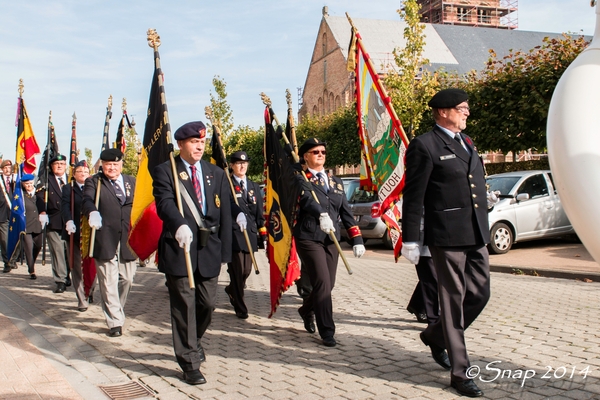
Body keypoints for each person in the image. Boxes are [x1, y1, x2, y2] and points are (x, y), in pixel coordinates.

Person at [401, 88, 491, 398]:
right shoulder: (424, 146)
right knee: (453, 301)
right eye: (462, 108)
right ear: (443, 112)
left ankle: (435, 335)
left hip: (476, 232)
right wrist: (410, 238)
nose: (467, 112)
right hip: (447, 235)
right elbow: (413, 196)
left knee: (480, 293)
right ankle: (460, 372)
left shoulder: (467, 142)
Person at [153, 121, 233, 386]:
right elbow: (164, 203)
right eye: (193, 142)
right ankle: (189, 362)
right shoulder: (167, 171)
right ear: (180, 145)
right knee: (183, 306)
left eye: (202, 142)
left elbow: (224, 213)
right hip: (180, 248)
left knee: (207, 304)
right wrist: (179, 224)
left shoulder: (216, 173)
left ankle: (193, 340)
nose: (199, 146)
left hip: (209, 249)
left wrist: (226, 251)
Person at [294, 138, 365, 348]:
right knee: (322, 283)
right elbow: (306, 200)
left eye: (323, 151)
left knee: (329, 284)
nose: (320, 155)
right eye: (315, 152)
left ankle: (306, 310)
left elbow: (346, 212)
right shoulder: (300, 178)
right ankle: (327, 331)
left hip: (331, 239)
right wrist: (321, 214)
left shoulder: (336, 182)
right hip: (309, 237)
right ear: (306, 156)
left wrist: (357, 239)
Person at [82, 149, 137, 337]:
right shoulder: (94, 182)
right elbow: (87, 199)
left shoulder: (132, 181)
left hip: (127, 239)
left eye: (115, 164)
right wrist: (92, 212)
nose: (112, 168)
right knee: (108, 281)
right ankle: (115, 321)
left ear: (121, 164)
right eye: (108, 165)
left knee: (127, 279)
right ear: (102, 166)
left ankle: (117, 308)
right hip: (105, 238)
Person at [224, 151, 266, 319]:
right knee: (237, 270)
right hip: (234, 233)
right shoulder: (227, 184)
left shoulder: (254, 186)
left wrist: (262, 235)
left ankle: (231, 289)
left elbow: (259, 214)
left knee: (246, 270)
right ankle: (240, 306)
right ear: (232, 166)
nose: (242, 166)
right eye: (238, 163)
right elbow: (225, 205)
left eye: (245, 163)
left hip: (250, 233)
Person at [37, 154, 71, 293]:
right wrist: (42, 212)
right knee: (57, 252)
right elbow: (39, 197)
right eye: (56, 163)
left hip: (70, 221)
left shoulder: (72, 180)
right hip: (54, 220)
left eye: (62, 163)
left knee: (69, 252)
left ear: (65, 165)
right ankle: (60, 280)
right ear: (51, 166)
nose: (59, 166)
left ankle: (68, 274)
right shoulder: (46, 181)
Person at [62, 161, 92, 312]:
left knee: (91, 265)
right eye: (79, 172)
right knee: (77, 266)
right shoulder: (69, 188)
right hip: (74, 232)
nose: (83, 174)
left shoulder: (93, 187)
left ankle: (89, 290)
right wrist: (68, 221)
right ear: (74, 174)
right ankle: (81, 298)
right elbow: (65, 206)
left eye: (85, 172)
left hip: (92, 233)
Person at [21, 174, 44, 279]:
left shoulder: (40, 193)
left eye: (30, 183)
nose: (29, 185)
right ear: (23, 185)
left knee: (38, 246)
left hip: (38, 225)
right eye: (26, 184)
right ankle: (31, 270)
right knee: (29, 247)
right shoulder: (21, 196)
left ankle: (32, 262)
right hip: (26, 225)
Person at [1, 159, 16, 273]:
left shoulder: (15, 181)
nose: (8, 169)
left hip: (15, 214)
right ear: (2, 169)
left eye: (9, 168)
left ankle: (14, 259)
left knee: (17, 238)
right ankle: (7, 262)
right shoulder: (0, 181)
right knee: (5, 240)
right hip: (2, 214)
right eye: (5, 168)